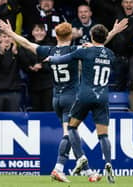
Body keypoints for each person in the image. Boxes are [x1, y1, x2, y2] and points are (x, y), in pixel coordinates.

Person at [0, 19, 127, 183]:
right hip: (71, 96)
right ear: (71, 35)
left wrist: (10, 33)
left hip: (56, 97)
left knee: (70, 132)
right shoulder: (75, 49)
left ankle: (87, 172)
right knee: (69, 133)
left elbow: (27, 44)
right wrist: (114, 31)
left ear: (56, 35)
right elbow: (98, 45)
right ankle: (62, 167)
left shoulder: (48, 50)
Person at [47, 24, 116, 183]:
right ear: (105, 38)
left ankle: (81, 158)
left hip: (84, 95)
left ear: (91, 36)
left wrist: (51, 59)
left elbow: (63, 59)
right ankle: (108, 163)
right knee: (103, 135)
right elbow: (102, 51)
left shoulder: (85, 51)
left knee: (71, 127)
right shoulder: (110, 54)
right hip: (102, 97)